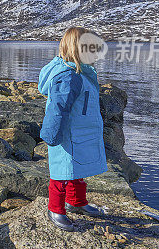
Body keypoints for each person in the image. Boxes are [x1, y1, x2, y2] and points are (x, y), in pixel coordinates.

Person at [37, 26, 107, 231]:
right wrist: (52, 134)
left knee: (77, 168)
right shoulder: (68, 76)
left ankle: (76, 201)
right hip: (66, 134)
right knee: (62, 170)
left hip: (80, 132)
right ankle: (55, 209)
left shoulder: (80, 73)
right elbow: (57, 109)